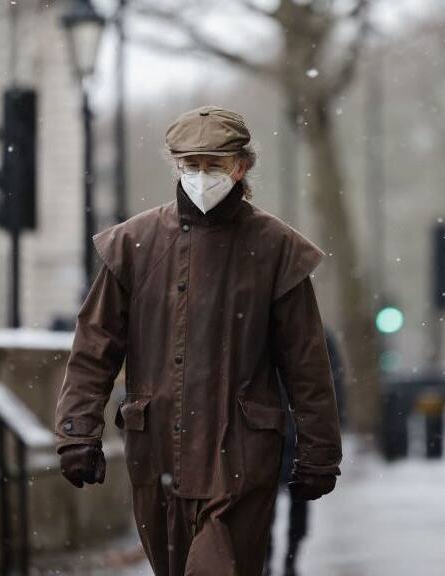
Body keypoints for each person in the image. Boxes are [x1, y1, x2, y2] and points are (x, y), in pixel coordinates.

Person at [54, 105, 342, 576]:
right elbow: (94, 348)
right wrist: (77, 433)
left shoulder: (277, 249)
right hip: (157, 449)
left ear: (241, 166)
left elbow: (306, 363)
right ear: (177, 166)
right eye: (192, 165)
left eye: (215, 164)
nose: (202, 175)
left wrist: (320, 452)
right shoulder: (134, 244)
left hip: (242, 454)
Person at [263, 326, 344, 576]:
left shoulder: (315, 334)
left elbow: (332, 384)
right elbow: (333, 383)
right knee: (276, 501)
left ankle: (284, 558)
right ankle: (283, 559)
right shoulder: (316, 334)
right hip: (282, 428)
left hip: (286, 428)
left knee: (277, 500)